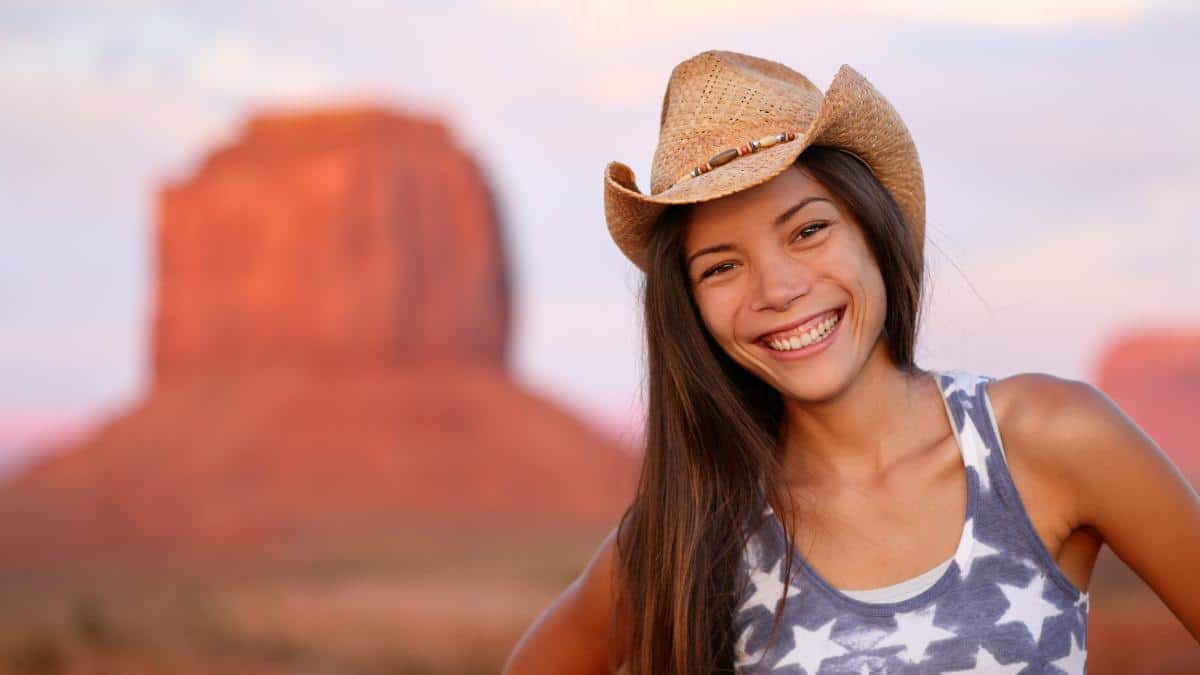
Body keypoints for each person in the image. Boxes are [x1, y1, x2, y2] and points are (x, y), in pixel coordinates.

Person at [502, 50, 1200, 675]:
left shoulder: (1045, 441)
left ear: (873, 227)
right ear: (690, 312)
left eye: (808, 229)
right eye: (721, 267)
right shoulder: (693, 528)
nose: (777, 289)